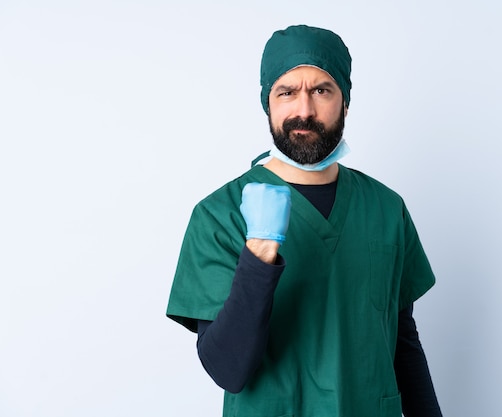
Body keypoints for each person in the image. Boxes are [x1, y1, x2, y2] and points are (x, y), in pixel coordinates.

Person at [166, 24, 442, 417]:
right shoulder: (220, 215)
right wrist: (258, 253)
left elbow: (403, 343)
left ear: (345, 101)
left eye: (321, 90)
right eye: (287, 92)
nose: (304, 110)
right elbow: (228, 370)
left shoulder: (386, 208)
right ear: (268, 104)